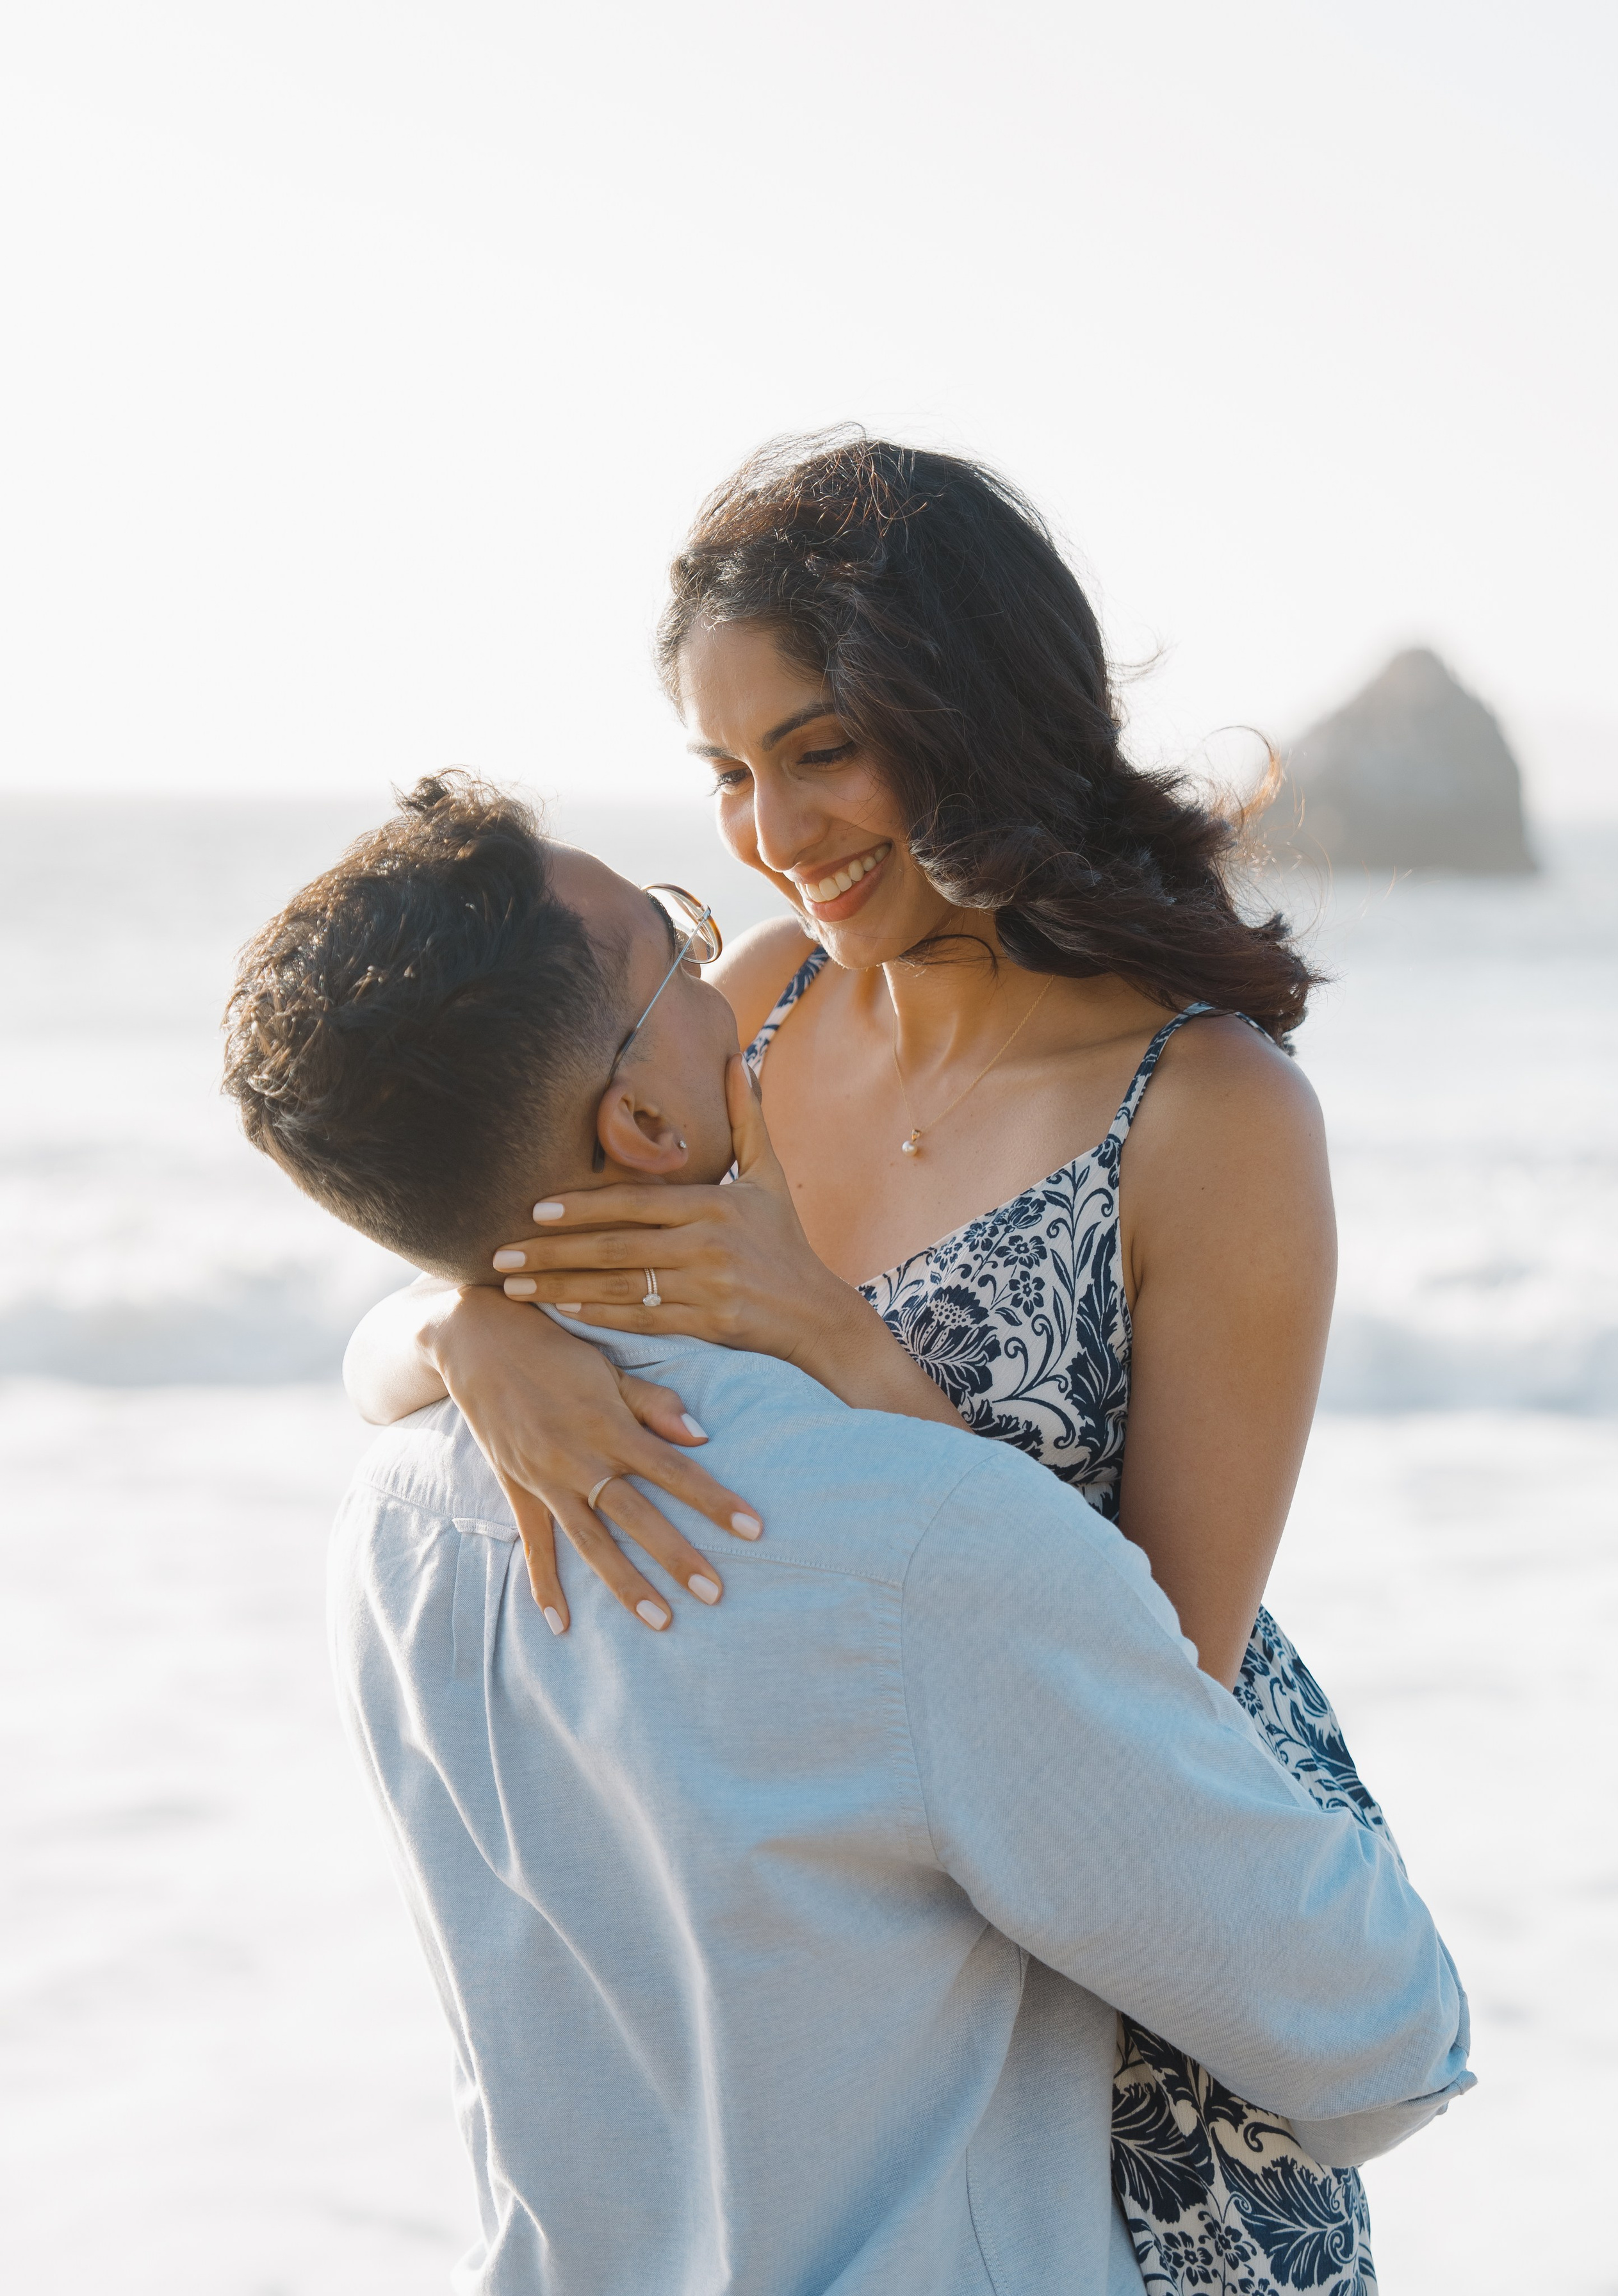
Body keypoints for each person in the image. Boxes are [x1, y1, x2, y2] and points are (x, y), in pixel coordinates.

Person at [343, 438, 1393, 2286]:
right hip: (844, 2001)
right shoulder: (755, 1005)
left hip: (1138, 2033)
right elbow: (402, 1330)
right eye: (727, 773)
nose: (771, 830)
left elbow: (1159, 1677)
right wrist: (466, 1327)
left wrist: (832, 1339)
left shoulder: (1212, 1112)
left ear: (973, 716)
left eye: (819, 749)